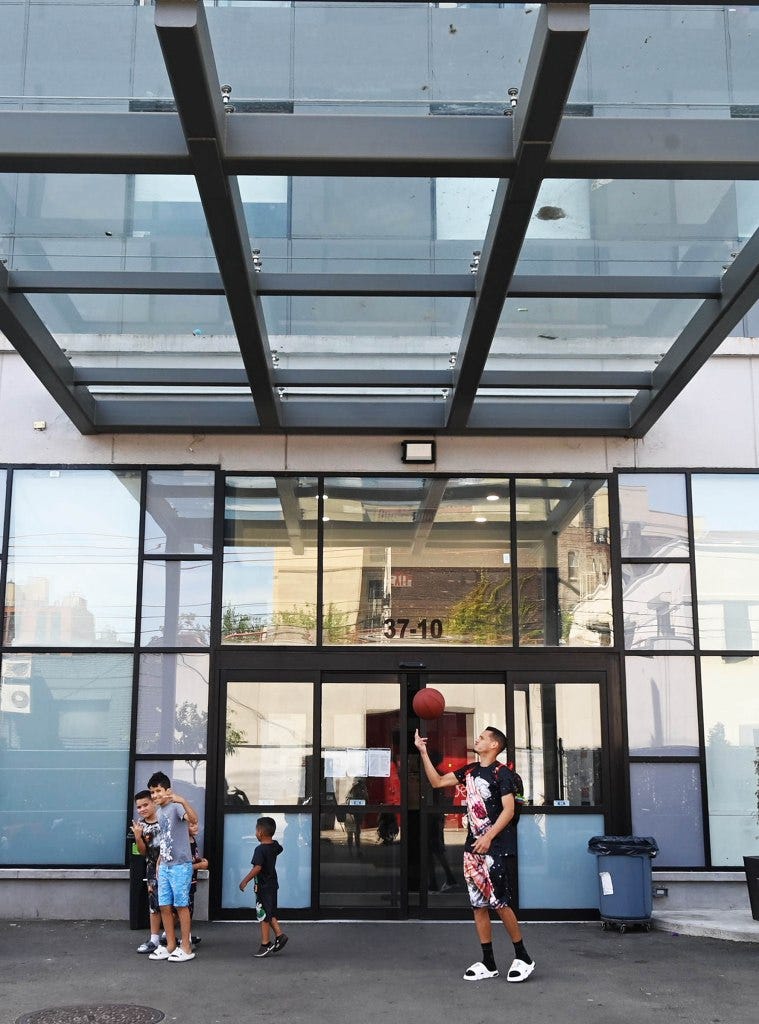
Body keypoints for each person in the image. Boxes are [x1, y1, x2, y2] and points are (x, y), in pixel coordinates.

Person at [414, 726, 535, 983]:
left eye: (482, 738)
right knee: (478, 905)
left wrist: (488, 837)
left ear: (494, 745)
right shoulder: (469, 771)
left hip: (496, 849)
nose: (477, 740)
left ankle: (523, 956)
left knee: (501, 904)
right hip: (472, 850)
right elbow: (436, 782)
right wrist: (422, 752)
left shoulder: (503, 775)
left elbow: (509, 811)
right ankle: (488, 962)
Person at [146, 771, 199, 963]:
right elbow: (166, 839)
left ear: (168, 790)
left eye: (158, 790)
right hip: (165, 866)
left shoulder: (176, 808)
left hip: (180, 866)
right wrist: (160, 860)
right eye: (152, 792)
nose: (155, 795)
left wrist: (183, 801)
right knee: (164, 907)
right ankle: (170, 945)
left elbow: (193, 820)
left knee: (181, 906)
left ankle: (186, 946)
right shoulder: (159, 812)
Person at [239, 816, 288, 958]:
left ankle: (265, 943)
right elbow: (280, 848)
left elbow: (257, 867)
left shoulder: (259, 849)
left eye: (256, 830)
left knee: (263, 915)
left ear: (260, 832)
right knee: (270, 911)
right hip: (273, 884)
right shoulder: (274, 846)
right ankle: (280, 935)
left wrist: (245, 880)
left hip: (263, 886)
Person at [131, 790, 162, 954]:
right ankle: (154, 939)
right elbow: (143, 852)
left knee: (173, 905)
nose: (142, 809)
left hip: (169, 867)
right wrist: (138, 836)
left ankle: (169, 936)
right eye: (139, 807)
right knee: (154, 904)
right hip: (151, 870)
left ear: (153, 803)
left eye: (145, 805)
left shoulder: (165, 820)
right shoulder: (140, 826)